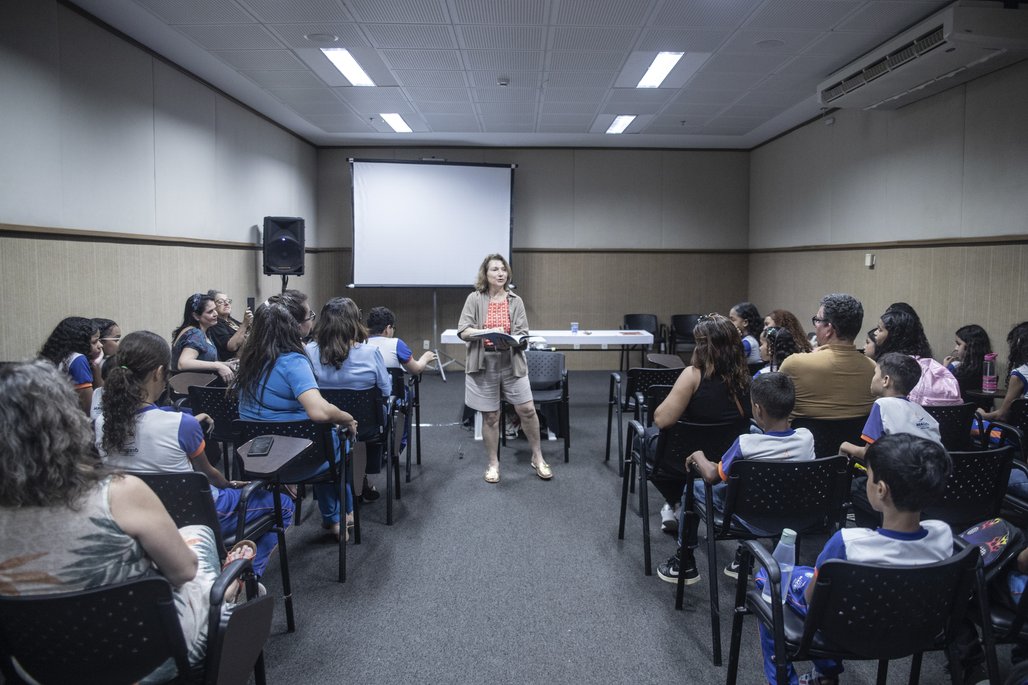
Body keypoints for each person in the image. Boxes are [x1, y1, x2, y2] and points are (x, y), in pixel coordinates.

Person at [0, 360, 238, 683]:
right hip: (146, 660)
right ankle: (226, 592)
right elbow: (183, 572)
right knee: (198, 534)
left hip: (37, 668)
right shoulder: (117, 493)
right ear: (63, 421)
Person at [755, 433, 954, 685]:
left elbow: (811, 599)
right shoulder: (944, 534)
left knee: (768, 581)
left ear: (881, 490)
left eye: (868, 476)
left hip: (847, 632)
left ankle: (809, 676)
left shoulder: (848, 543)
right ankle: (822, 675)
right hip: (913, 631)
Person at [96, 330, 294, 580]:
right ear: (158, 372)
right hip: (194, 516)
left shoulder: (101, 422)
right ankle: (244, 576)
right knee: (283, 504)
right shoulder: (181, 425)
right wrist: (231, 484)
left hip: (131, 519)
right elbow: (211, 476)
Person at [657, 372, 814, 585]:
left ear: (757, 409)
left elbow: (713, 476)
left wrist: (698, 456)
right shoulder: (807, 438)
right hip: (791, 516)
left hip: (749, 518)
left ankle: (683, 562)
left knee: (693, 488)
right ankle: (743, 561)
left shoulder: (746, 444)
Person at [233, 293, 358, 541]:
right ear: (296, 325)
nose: (312, 321)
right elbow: (319, 411)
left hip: (255, 456)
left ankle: (334, 515)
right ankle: (341, 515)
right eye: (310, 316)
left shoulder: (248, 359)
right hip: (297, 457)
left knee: (326, 439)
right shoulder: (292, 362)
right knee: (339, 442)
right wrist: (346, 418)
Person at [644, 314, 751, 534]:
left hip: (684, 457)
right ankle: (680, 499)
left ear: (703, 346)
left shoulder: (693, 375)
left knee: (641, 439)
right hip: (726, 459)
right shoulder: (746, 378)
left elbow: (662, 420)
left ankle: (675, 500)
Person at [457, 254, 551, 484]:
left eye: (503, 269)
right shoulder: (474, 298)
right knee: (491, 416)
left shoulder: (515, 300)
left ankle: (537, 457)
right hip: (484, 363)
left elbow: (523, 334)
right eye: (494, 270)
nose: (500, 273)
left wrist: (513, 340)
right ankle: (493, 463)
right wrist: (484, 333)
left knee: (527, 409)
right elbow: (463, 331)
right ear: (485, 275)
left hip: (511, 362)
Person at [306, 297, 391, 503]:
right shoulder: (371, 353)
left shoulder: (308, 351)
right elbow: (385, 390)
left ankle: (337, 481)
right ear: (355, 321)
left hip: (323, 428)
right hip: (365, 427)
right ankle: (360, 477)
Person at [779, 293, 876, 419]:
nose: (816, 325)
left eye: (818, 320)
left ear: (829, 328)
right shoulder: (873, 369)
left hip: (806, 438)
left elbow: (772, 412)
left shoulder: (795, 364)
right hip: (853, 439)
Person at [840, 352, 942, 462]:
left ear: (886, 380)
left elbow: (869, 454)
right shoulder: (922, 411)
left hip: (900, 475)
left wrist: (845, 446)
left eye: (875, 373)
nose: (873, 378)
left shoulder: (882, 405)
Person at [873, 306, 961, 406]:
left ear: (894, 336)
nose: (875, 333)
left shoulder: (894, 367)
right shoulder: (927, 363)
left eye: (880, 330)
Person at [39, 315, 102, 414]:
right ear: (80, 342)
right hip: (73, 420)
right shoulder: (78, 359)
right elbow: (88, 407)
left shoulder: (53, 357)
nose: (100, 345)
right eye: (95, 341)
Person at [172, 293, 235, 383]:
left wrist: (225, 364)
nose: (216, 314)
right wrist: (218, 366)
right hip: (190, 391)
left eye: (215, 309)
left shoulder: (203, 332)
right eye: (210, 312)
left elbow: (201, 361)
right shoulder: (195, 334)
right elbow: (183, 363)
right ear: (196, 316)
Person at [978, 321, 1028, 423]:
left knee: (970, 428)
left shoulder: (1020, 374)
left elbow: (1002, 416)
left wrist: (983, 415)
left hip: (1018, 436)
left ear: (1019, 344)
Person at [366, 306, 437, 374]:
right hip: (391, 386)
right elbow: (416, 370)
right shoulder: (397, 344)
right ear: (388, 328)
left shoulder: (359, 344)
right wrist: (425, 359)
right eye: (393, 328)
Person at [943, 324, 992, 400]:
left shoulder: (960, 374)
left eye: (959, 344)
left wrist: (943, 369)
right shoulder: (989, 370)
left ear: (970, 347)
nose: (955, 348)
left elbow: (941, 390)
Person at [207, 289, 252, 362]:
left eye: (228, 301)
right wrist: (244, 324)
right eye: (220, 302)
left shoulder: (231, 320)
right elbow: (232, 346)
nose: (226, 304)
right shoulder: (214, 324)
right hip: (231, 365)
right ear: (212, 306)